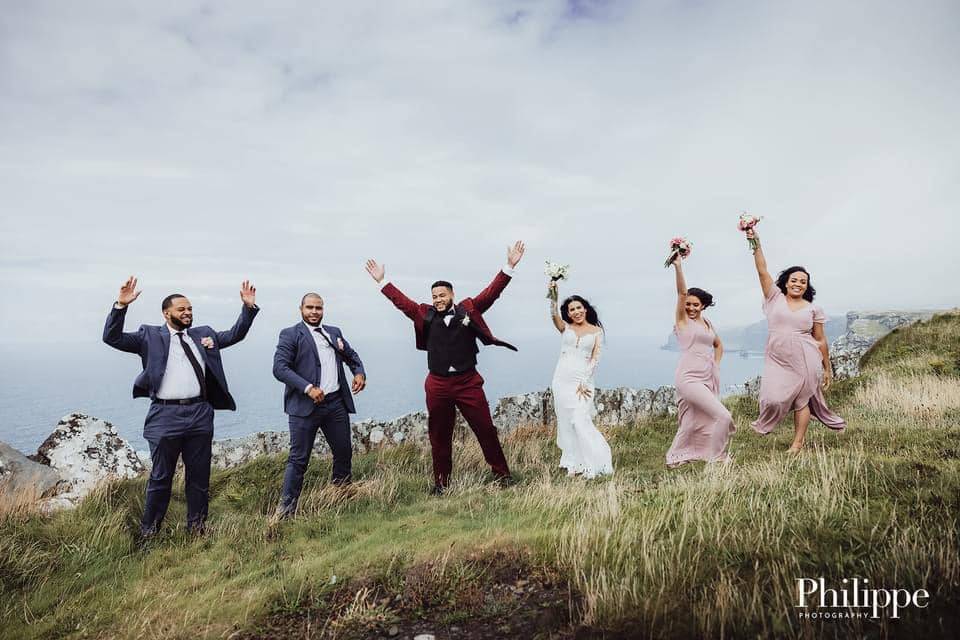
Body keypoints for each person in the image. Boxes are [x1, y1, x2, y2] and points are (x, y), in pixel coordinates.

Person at [102, 276, 259, 537]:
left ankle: (197, 529)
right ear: (167, 313)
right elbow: (112, 338)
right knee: (161, 478)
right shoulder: (149, 335)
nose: (187, 313)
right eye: (181, 309)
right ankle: (149, 532)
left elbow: (234, 335)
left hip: (199, 413)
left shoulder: (203, 334)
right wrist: (120, 306)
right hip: (165, 414)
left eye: (190, 309)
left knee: (199, 478)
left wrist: (248, 309)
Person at [364, 242, 525, 494]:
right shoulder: (423, 314)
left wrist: (510, 266)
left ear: (452, 294)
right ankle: (441, 484)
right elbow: (402, 302)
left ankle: (502, 474)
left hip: (468, 381)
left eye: (442, 295)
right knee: (438, 436)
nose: (438, 299)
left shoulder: (469, 308)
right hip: (438, 384)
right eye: (434, 296)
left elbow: (492, 293)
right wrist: (382, 281)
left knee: (485, 429)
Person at [744, 228, 845, 451]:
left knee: (802, 400)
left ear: (807, 286)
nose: (798, 284)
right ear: (786, 282)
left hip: (805, 358)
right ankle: (767, 422)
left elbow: (820, 340)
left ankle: (797, 443)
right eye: (794, 280)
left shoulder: (814, 309)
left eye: (803, 281)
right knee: (772, 398)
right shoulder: (774, 297)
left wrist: (827, 368)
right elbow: (762, 271)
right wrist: (754, 241)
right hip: (777, 358)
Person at [272, 293, 366, 517]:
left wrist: (359, 372)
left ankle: (342, 494)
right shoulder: (290, 334)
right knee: (298, 459)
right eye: (310, 308)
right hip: (304, 407)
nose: (314, 312)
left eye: (318, 308)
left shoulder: (333, 332)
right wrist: (308, 388)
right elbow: (280, 368)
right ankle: (286, 512)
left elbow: (351, 355)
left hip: (335, 404)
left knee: (343, 451)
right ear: (301, 309)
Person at [664, 257, 735, 467]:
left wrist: (716, 364)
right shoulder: (682, 321)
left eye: (696, 305)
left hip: (707, 377)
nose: (691, 308)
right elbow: (681, 293)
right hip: (688, 378)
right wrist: (678, 266)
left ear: (703, 306)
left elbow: (719, 345)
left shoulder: (707, 322)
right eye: (688, 305)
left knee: (691, 420)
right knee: (723, 416)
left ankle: (675, 457)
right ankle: (718, 457)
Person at [547, 281, 613, 478]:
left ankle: (595, 461)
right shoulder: (565, 328)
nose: (575, 312)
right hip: (561, 380)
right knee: (566, 422)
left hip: (582, 383)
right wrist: (553, 294)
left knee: (579, 420)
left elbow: (595, 358)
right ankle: (574, 463)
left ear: (585, 309)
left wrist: (585, 381)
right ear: (568, 313)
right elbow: (553, 314)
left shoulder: (596, 332)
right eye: (571, 309)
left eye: (578, 307)